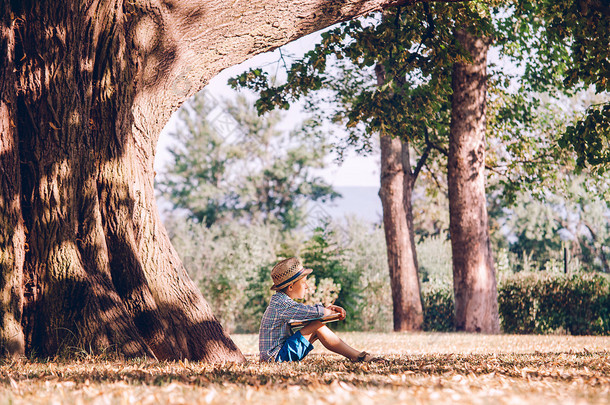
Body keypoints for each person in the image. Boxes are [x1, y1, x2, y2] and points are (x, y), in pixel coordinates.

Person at [259, 257, 377, 362]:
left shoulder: (280, 302)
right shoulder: (283, 304)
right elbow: (313, 312)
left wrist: (327, 310)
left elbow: (306, 317)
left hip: (276, 354)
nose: (307, 286)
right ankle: (357, 356)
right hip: (275, 358)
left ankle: (356, 355)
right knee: (316, 326)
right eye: (304, 282)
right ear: (290, 287)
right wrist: (329, 311)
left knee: (315, 325)